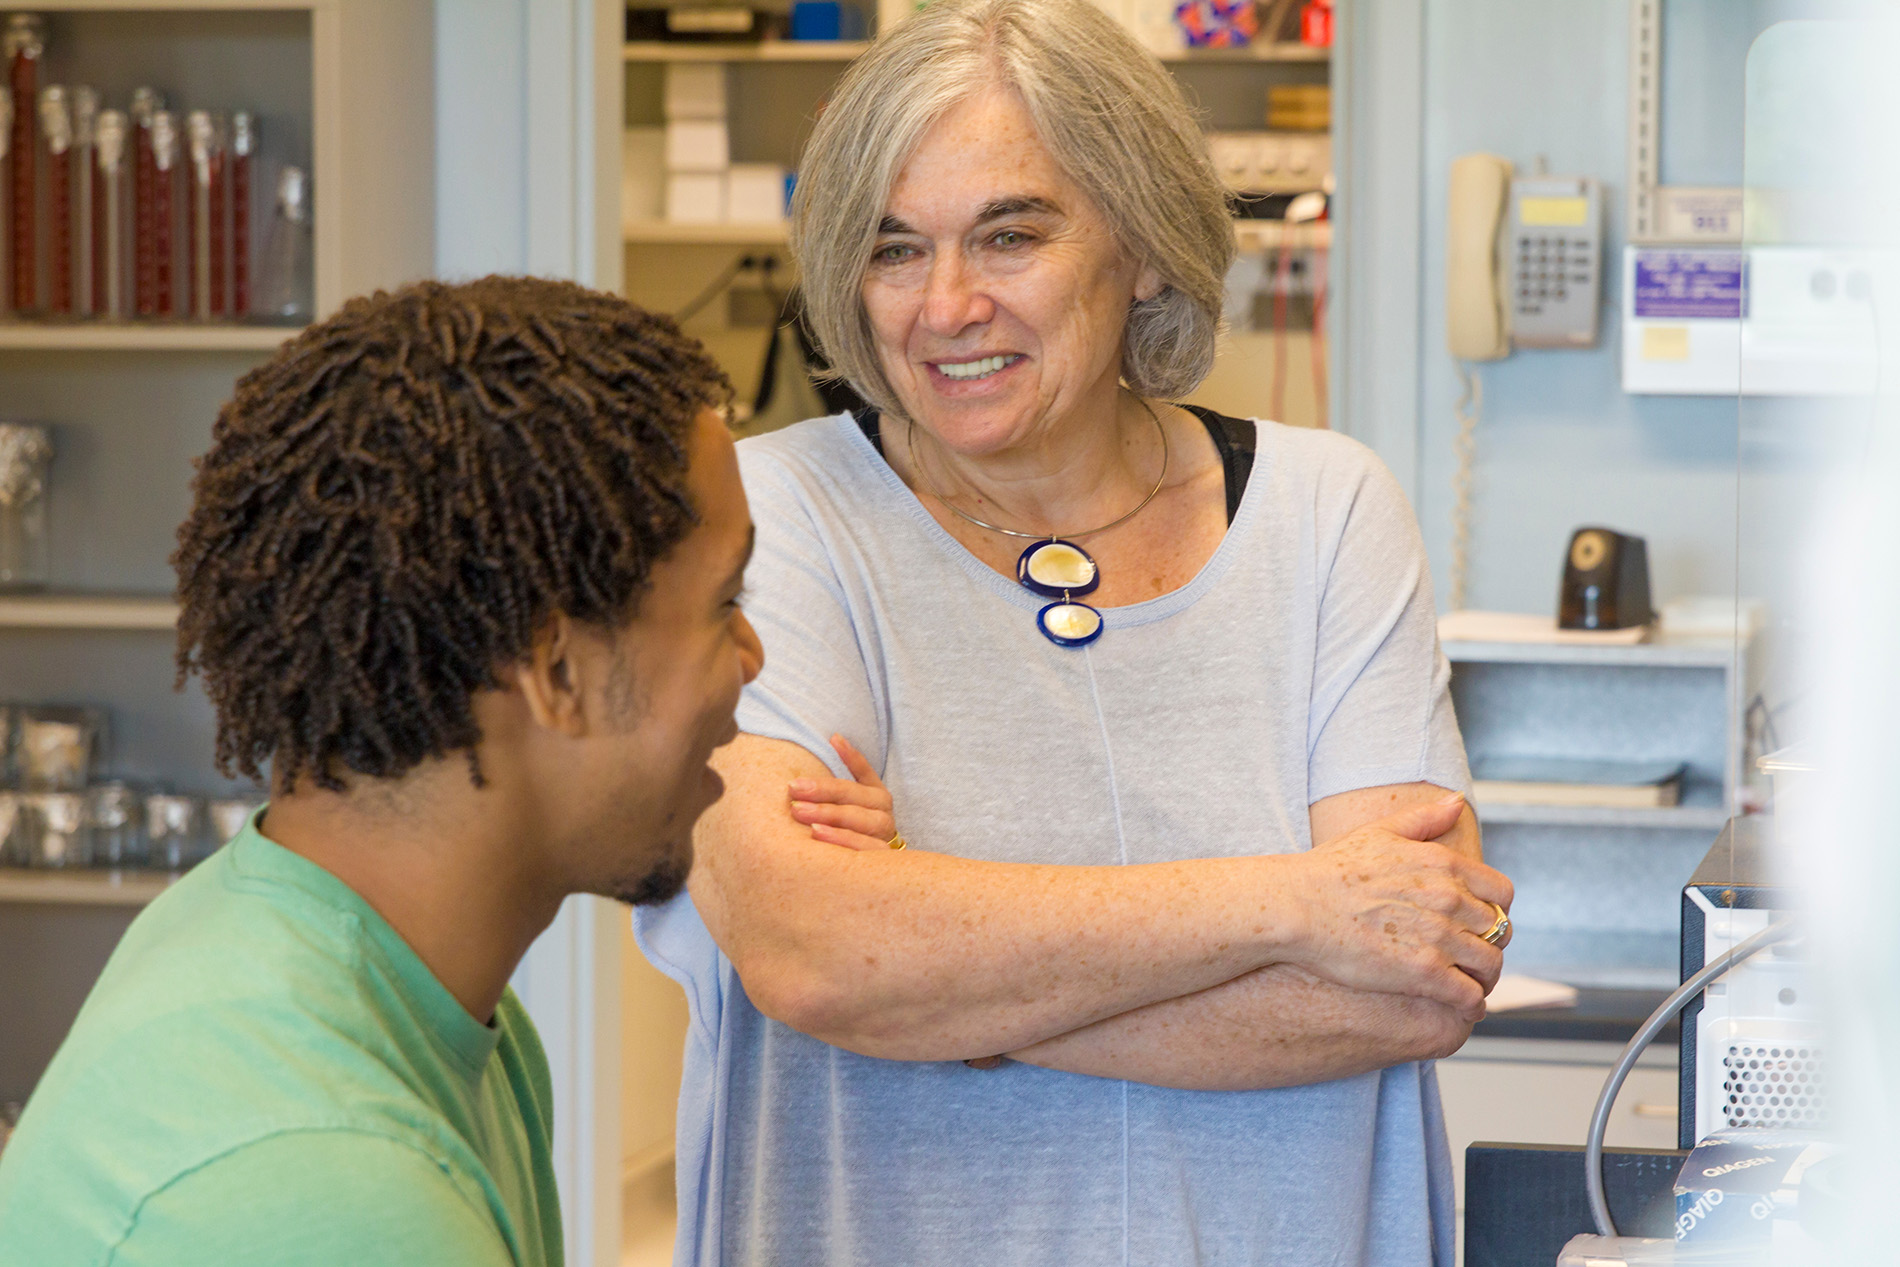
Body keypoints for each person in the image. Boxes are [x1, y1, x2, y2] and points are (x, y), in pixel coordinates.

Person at [631, 1, 1516, 1263]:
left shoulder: (1326, 511)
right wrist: (1300, 902)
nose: (946, 305)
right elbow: (816, 953)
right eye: (892, 250)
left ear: (1143, 244)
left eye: (1010, 233)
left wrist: (937, 982)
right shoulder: (767, 515)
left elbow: (1420, 976)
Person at [0, 277, 768, 1266]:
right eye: (722, 601)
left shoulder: (390, 981)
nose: (750, 653)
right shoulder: (323, 1184)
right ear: (557, 671)